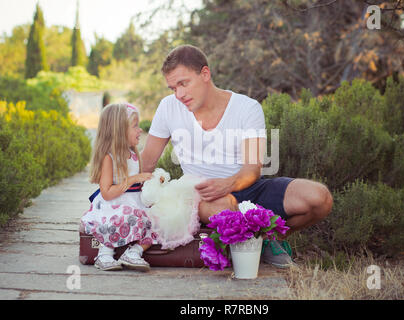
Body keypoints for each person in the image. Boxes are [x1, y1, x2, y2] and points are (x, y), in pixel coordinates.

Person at [141, 45, 333, 268]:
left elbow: (252, 169)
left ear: (205, 74)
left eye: (183, 83)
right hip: (199, 193)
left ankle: (268, 240)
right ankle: (250, 239)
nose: (179, 94)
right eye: (173, 87)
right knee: (227, 206)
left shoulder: (247, 108)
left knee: (319, 198)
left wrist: (228, 183)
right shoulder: (168, 107)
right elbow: (147, 162)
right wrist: (123, 196)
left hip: (248, 187)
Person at [80, 103, 154, 271]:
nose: (140, 130)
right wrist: (134, 178)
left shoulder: (134, 155)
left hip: (134, 203)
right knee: (124, 216)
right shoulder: (109, 158)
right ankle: (104, 254)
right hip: (113, 206)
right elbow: (106, 193)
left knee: (156, 221)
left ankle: (133, 252)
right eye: (135, 126)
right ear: (119, 130)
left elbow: (138, 186)